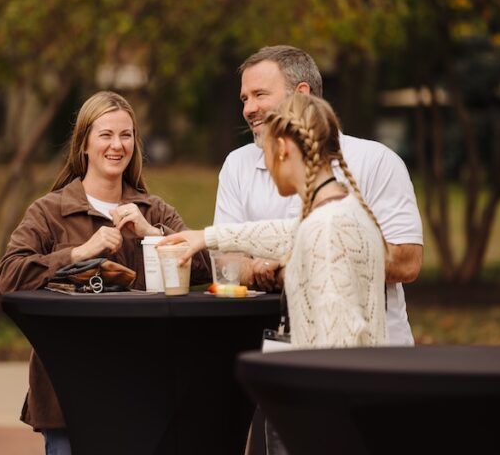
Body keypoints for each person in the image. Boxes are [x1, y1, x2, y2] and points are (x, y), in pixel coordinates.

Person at [162, 93, 389, 454]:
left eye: (265, 152)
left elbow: (334, 347)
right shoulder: (344, 210)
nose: (264, 165)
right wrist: (205, 237)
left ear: (283, 147)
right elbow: (287, 232)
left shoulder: (326, 228)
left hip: (327, 424)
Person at [0, 90, 211, 455]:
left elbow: (206, 268)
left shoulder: (154, 210)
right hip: (68, 392)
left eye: (125, 135)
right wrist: (78, 253)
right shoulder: (49, 212)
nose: (117, 145)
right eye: (105, 135)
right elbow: (8, 275)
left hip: (142, 387)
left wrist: (152, 235)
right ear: (84, 144)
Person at [215, 45, 423, 346]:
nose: (248, 109)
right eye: (245, 99)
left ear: (302, 94)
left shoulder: (376, 161)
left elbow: (407, 262)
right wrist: (260, 269)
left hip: (373, 352)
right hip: (271, 345)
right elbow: (225, 260)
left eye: (260, 95)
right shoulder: (237, 164)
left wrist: (295, 264)